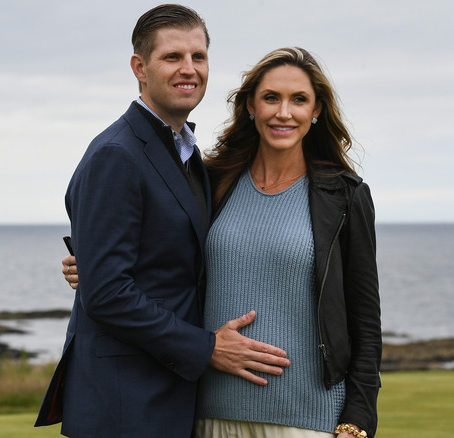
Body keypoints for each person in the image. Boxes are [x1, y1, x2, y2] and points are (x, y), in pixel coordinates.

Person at [61, 47, 381, 438]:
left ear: (316, 111)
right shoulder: (210, 181)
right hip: (205, 414)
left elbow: (364, 320)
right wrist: (91, 268)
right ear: (250, 106)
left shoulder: (344, 196)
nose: (284, 112)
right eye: (270, 98)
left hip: (307, 420)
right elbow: (161, 255)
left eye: (299, 99)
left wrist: (357, 421)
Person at [36, 5, 290, 437]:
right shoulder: (117, 155)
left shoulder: (186, 154)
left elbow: (170, 259)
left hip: (168, 396)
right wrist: (207, 348)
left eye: (199, 56)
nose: (188, 69)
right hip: (123, 404)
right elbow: (108, 294)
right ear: (140, 67)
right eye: (172, 57)